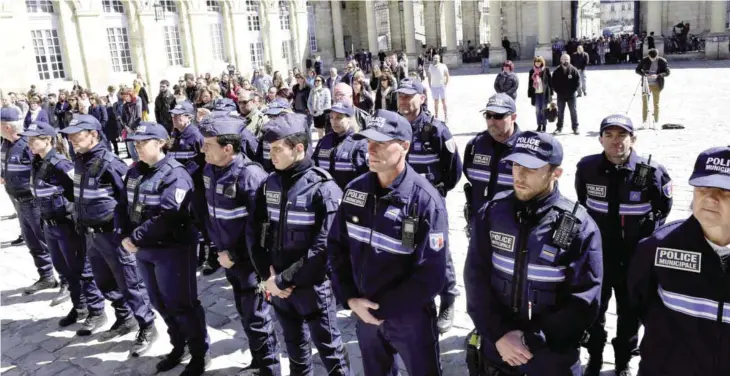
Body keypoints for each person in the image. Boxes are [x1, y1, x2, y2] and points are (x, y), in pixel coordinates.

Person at [465, 131, 603, 376]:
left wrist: (529, 340)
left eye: (531, 167)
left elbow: (584, 300)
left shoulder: (580, 227)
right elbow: (476, 277)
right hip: (499, 349)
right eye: (516, 164)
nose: (519, 174)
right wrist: (498, 334)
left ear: (555, 172)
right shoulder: (491, 214)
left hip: (551, 353)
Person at [328, 109, 447, 376]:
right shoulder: (355, 191)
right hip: (365, 311)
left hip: (409, 317)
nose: (371, 149)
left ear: (404, 146)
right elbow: (336, 247)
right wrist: (349, 298)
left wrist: (384, 308)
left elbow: (431, 275)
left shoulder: (425, 201)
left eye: (380, 143)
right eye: (368, 142)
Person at [248, 114, 352, 376]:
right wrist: (267, 277)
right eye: (269, 149)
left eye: (276, 149)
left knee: (331, 351)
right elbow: (254, 232)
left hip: (312, 287)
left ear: (299, 148)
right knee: (294, 346)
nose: (270, 155)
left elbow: (323, 249)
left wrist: (283, 281)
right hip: (278, 285)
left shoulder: (323, 189)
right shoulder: (268, 184)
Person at [576, 115, 673, 376]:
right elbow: (582, 203)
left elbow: (663, 209)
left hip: (634, 258)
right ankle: (595, 358)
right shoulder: (587, 168)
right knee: (594, 308)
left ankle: (622, 362)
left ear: (633, 139)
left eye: (622, 135)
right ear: (600, 139)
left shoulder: (651, 171)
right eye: (609, 135)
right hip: (599, 255)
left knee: (630, 312)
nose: (615, 141)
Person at [59, 115, 157, 356]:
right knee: (105, 281)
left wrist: (128, 234)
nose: (71, 139)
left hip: (112, 235)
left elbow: (129, 201)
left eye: (77, 134)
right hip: (91, 235)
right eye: (70, 135)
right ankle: (124, 318)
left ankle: (147, 325)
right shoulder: (80, 160)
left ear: (93, 135)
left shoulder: (110, 163)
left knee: (130, 282)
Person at [628, 146, 730, 376]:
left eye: (726, 191)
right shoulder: (657, 247)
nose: (711, 197)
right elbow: (640, 301)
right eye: (703, 187)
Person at [121, 122, 210, 375]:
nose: (137, 147)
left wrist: (135, 237)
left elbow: (168, 216)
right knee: (160, 302)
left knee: (182, 304)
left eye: (143, 142)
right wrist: (123, 233)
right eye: (135, 142)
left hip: (173, 250)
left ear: (160, 143)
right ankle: (178, 346)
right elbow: (123, 205)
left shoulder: (175, 174)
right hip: (144, 249)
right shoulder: (135, 171)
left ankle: (199, 354)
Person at [200, 117, 282, 376]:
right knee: (246, 315)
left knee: (258, 319)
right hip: (228, 260)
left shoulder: (250, 175)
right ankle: (258, 364)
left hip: (248, 263)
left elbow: (261, 229)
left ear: (228, 148)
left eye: (209, 145)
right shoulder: (210, 170)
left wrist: (235, 255)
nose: (203, 149)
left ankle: (270, 369)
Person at [395, 78, 462, 333]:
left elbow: (454, 168)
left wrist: (438, 192)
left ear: (422, 98)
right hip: (404, 204)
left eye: (409, 95)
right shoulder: (395, 128)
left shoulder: (437, 131)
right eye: (400, 95)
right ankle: (417, 296)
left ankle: (448, 298)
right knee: (408, 245)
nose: (403, 100)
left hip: (431, 205)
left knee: (438, 249)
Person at [22, 120, 104, 327]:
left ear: (47, 139)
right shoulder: (37, 162)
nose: (29, 144)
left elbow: (77, 194)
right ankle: (79, 307)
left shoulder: (61, 164)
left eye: (34, 139)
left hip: (66, 225)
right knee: (64, 269)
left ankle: (96, 310)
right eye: (29, 139)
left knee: (81, 270)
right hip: (49, 225)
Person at [1, 108, 59, 295]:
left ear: (7, 126)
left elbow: (43, 170)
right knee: (31, 241)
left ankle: (67, 281)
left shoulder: (28, 145)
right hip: (17, 200)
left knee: (47, 240)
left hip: (32, 201)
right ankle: (46, 276)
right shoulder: (5, 144)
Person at [166, 101, 219, 274]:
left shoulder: (196, 136)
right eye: (172, 115)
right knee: (191, 222)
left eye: (178, 115)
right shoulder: (174, 135)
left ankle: (212, 256)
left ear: (188, 117)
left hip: (196, 187)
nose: (173, 119)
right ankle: (199, 255)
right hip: (179, 188)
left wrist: (184, 173)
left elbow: (204, 162)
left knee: (204, 221)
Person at [463, 93, 522, 237]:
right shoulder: (475, 145)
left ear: (513, 117)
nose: (492, 121)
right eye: (488, 115)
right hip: (479, 225)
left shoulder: (524, 150)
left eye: (498, 116)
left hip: (511, 230)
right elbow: (467, 174)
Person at [312, 102, 369, 190]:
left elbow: (364, 178)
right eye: (331, 117)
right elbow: (314, 168)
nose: (334, 121)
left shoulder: (359, 144)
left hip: (347, 198)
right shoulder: (323, 142)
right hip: (324, 197)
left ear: (349, 119)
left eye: (339, 118)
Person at [635, 48, 670, 127]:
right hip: (646, 84)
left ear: (657, 55)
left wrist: (658, 75)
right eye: (651, 58)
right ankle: (644, 121)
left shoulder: (662, 61)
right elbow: (637, 70)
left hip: (657, 84)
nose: (652, 59)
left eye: (654, 58)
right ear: (648, 56)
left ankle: (656, 121)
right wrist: (644, 74)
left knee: (656, 103)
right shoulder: (644, 60)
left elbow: (667, 72)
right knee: (645, 103)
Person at [551, 54, 581, 135]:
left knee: (573, 111)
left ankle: (575, 127)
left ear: (570, 60)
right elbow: (553, 83)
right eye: (564, 59)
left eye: (567, 59)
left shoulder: (574, 70)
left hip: (571, 95)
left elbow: (577, 82)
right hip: (561, 96)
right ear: (561, 60)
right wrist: (558, 91)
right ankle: (559, 128)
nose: (566, 61)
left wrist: (573, 91)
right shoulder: (557, 71)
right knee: (560, 112)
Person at [527, 56, 553, 133]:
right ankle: (539, 125)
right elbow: (530, 83)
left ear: (542, 62)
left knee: (544, 110)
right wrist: (529, 94)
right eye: (536, 62)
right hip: (536, 93)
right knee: (538, 110)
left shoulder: (546, 70)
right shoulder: (532, 71)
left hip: (544, 93)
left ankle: (544, 125)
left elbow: (550, 82)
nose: (537, 63)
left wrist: (551, 92)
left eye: (539, 61)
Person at [427, 54, 450, 122]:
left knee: (443, 101)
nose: (435, 59)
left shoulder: (443, 66)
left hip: (441, 86)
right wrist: (429, 85)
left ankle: (446, 116)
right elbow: (429, 76)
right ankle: (436, 116)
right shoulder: (430, 66)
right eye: (434, 58)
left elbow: (447, 75)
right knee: (436, 102)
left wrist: (445, 84)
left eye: (437, 58)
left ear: (439, 59)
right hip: (434, 87)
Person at [307, 75, 331, 140]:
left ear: (322, 81)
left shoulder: (326, 90)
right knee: (319, 131)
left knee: (326, 132)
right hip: (315, 113)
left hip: (324, 113)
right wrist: (311, 111)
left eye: (318, 80)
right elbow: (309, 102)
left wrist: (320, 111)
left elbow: (327, 103)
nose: (317, 82)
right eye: (315, 80)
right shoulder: (312, 90)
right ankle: (321, 144)